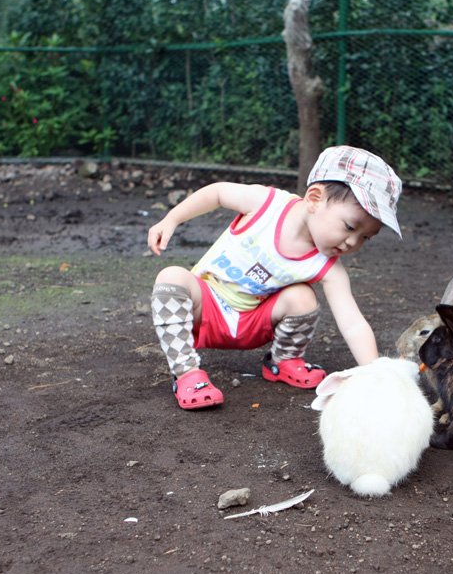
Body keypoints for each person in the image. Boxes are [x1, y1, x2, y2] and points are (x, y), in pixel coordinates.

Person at [147, 145, 402, 410]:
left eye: (365, 237)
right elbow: (218, 192)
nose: (352, 242)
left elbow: (352, 323)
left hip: (252, 323)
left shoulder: (328, 267)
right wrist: (172, 219)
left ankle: (283, 360)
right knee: (172, 277)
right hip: (205, 310)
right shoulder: (266, 204)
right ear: (315, 198)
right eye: (350, 227)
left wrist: (375, 372)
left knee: (302, 297)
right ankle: (187, 373)